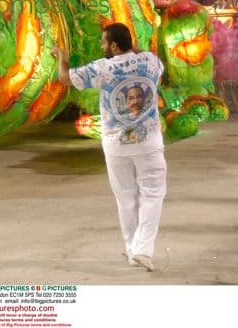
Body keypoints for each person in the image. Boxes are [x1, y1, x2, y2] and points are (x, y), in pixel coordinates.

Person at [54, 22, 166, 272]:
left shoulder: (102, 68)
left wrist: (62, 56)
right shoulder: (150, 61)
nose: (101, 46)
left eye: (104, 42)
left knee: (126, 198)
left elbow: (64, 77)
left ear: (114, 46)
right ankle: (142, 250)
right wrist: (130, 48)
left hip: (116, 146)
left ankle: (132, 250)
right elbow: (144, 55)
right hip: (149, 144)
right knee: (152, 195)